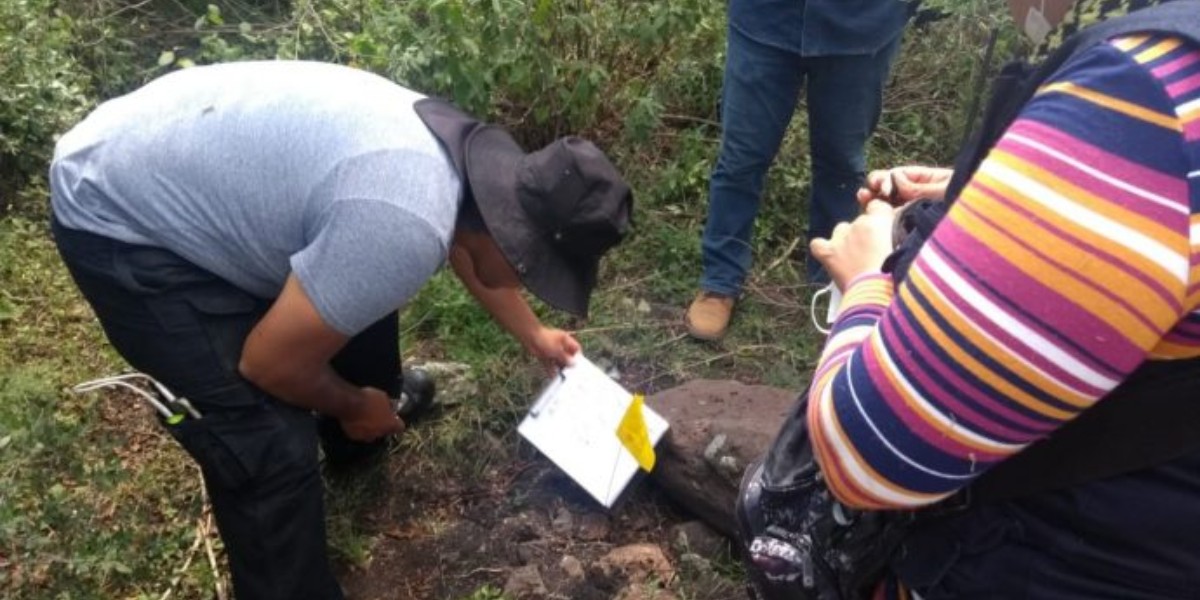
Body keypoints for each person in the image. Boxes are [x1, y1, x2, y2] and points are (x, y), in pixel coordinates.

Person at [49, 60, 632, 600]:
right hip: (120, 218)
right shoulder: (401, 219)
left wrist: (533, 334)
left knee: (362, 294)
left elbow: (469, 242)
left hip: (180, 158)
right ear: (516, 238)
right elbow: (269, 364)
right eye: (539, 273)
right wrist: (353, 402)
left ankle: (357, 436)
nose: (534, 285)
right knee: (266, 442)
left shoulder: (456, 168)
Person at [747, 0, 1200, 596]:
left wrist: (868, 275)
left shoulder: (1142, 100)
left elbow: (870, 453)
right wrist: (993, 190)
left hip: (1047, 560)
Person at [683, 0, 911, 341]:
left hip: (862, 26)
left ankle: (833, 285)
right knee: (741, 158)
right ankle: (719, 283)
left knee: (842, 164)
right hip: (764, 19)